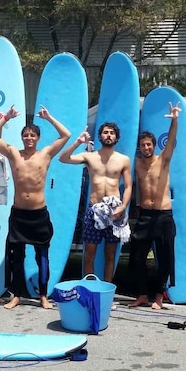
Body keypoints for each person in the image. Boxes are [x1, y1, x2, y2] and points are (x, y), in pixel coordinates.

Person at [0, 104, 72, 309]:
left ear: (38, 138)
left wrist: (50, 118)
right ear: (22, 138)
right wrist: (6, 118)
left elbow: (66, 135)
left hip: (38, 214)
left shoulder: (46, 154)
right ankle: (16, 295)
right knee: (17, 256)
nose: (29, 138)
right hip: (19, 214)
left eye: (33, 135)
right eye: (26, 135)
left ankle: (43, 295)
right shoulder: (14, 153)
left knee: (42, 256)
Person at [59, 121, 133, 283]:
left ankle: (107, 292)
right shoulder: (90, 157)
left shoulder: (123, 160)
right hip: (94, 210)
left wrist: (123, 207)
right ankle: (89, 290)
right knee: (89, 254)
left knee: (110, 254)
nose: (108, 135)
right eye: (105, 132)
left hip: (115, 211)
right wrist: (78, 142)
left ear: (117, 137)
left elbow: (128, 187)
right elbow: (63, 158)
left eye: (112, 133)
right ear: (100, 136)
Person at [126, 102, 181, 310]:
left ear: (154, 145)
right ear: (139, 147)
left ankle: (158, 295)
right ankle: (142, 294)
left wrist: (174, 120)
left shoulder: (163, 160)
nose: (146, 148)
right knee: (137, 257)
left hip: (163, 215)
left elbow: (172, 139)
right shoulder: (137, 163)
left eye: (149, 144)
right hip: (145, 216)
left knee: (165, 258)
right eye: (143, 145)